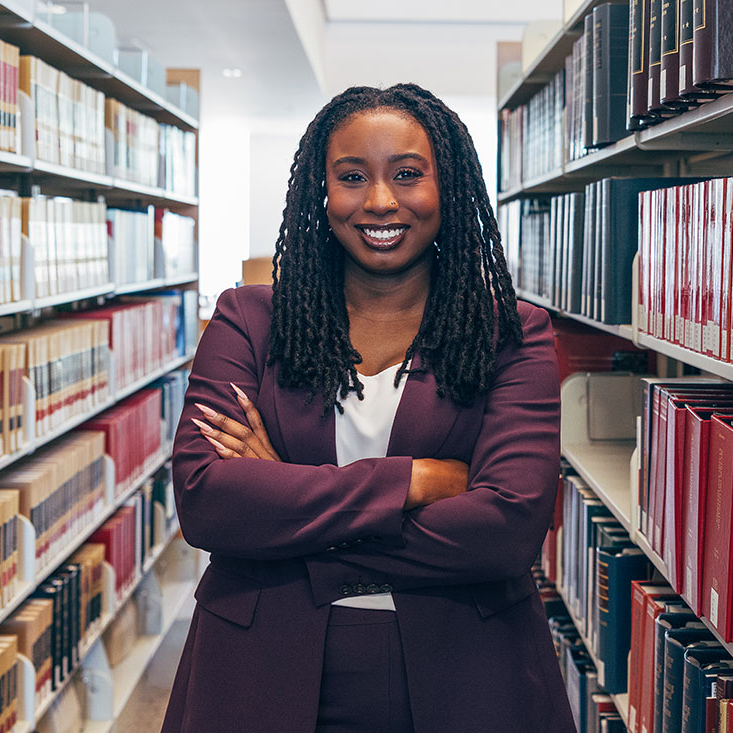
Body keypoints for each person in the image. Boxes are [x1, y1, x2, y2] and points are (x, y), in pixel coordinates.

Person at [163, 83, 574, 732]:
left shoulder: (510, 333)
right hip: (258, 671)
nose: (380, 200)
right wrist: (410, 481)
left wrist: (284, 513)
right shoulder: (249, 320)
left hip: (464, 674)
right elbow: (207, 500)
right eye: (352, 176)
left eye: (407, 174)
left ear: (449, 185)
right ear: (321, 193)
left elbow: (505, 530)